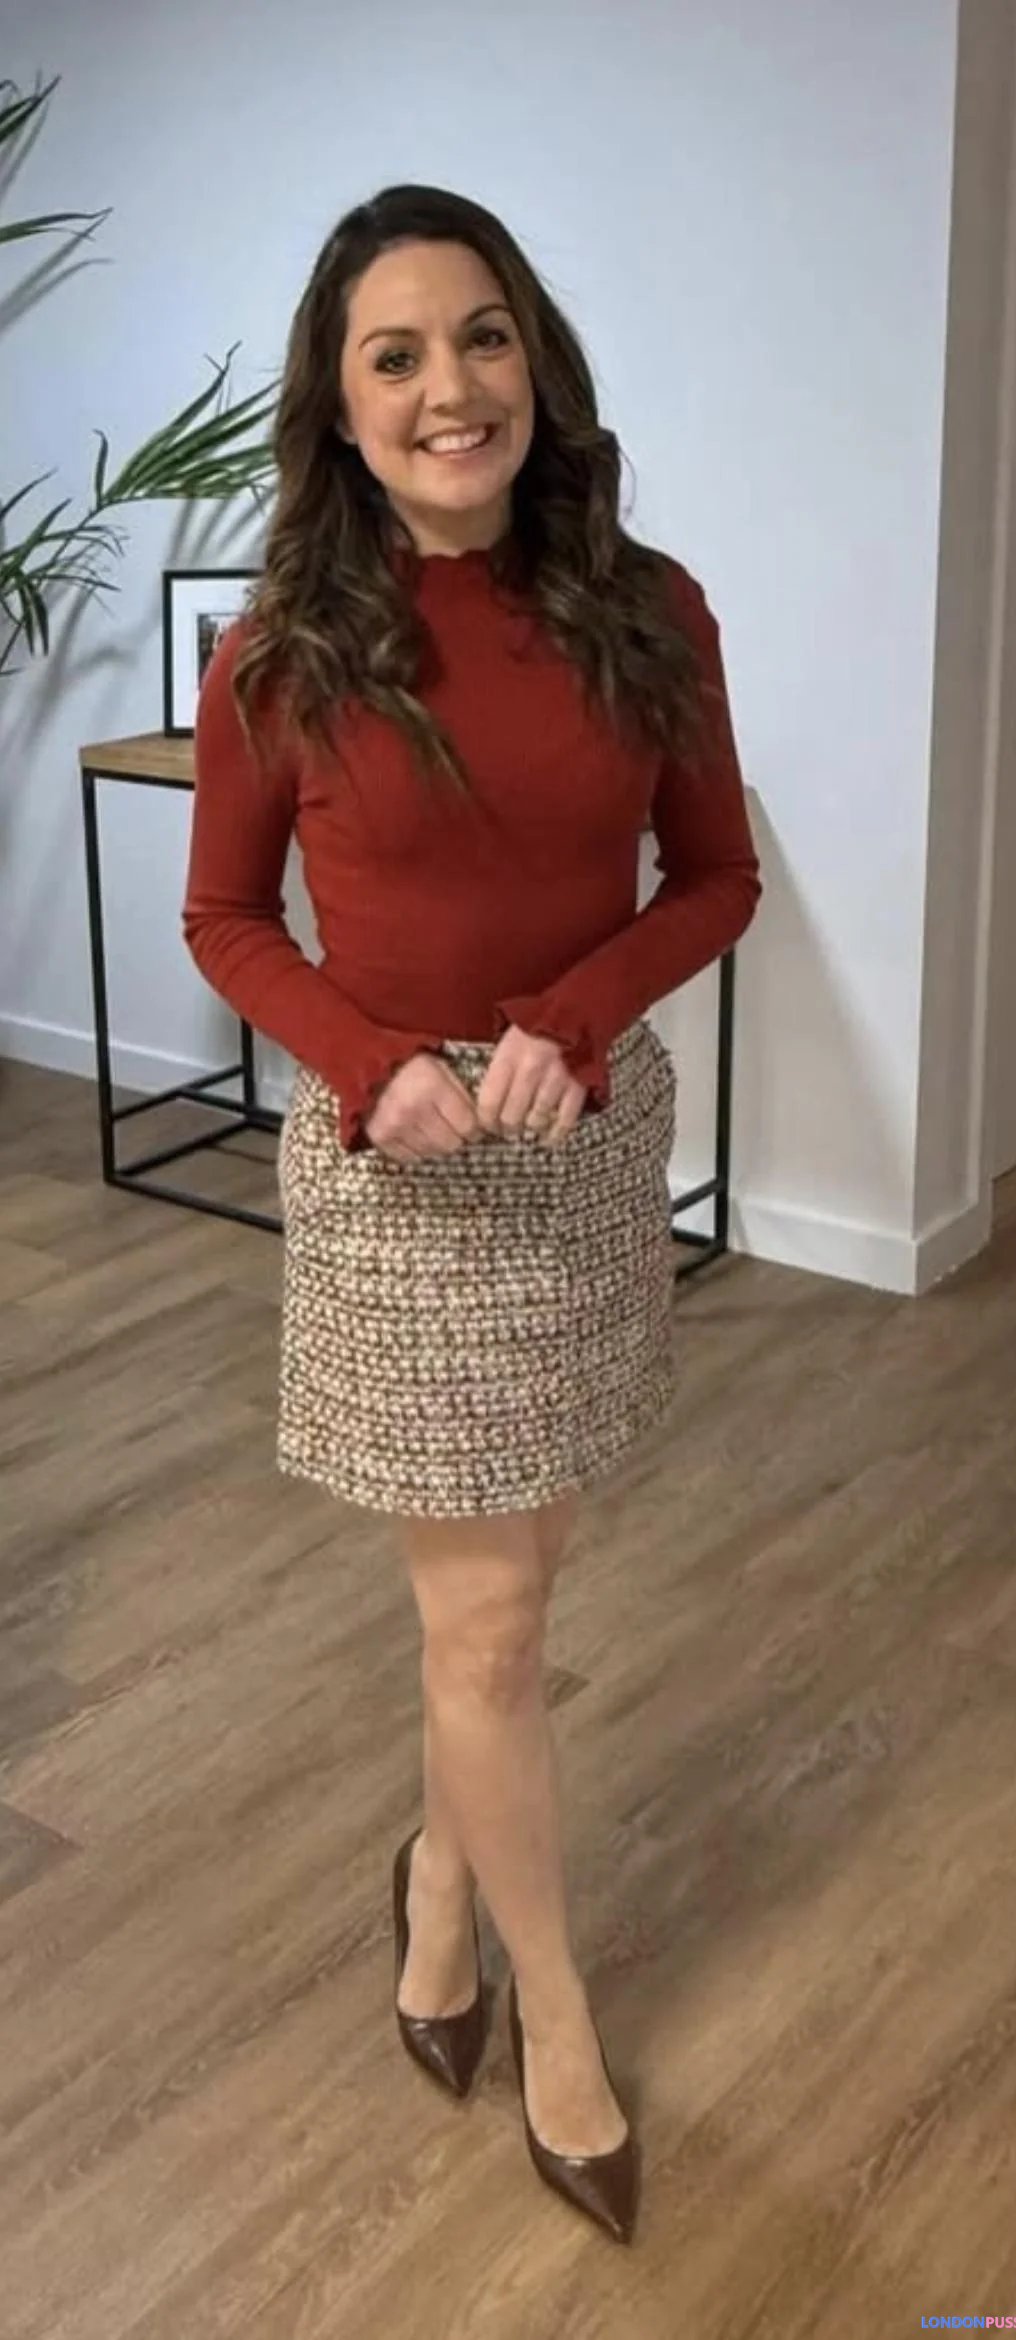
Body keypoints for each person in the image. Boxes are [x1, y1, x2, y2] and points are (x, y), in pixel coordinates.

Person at [181, 182, 761, 2247]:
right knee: (493, 1633)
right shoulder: (281, 653)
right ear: (341, 411)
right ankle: (559, 2022)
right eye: (398, 355)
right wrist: (370, 1062)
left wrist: (574, 1020)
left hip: (578, 1148)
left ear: (537, 362)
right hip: (400, 1186)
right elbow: (225, 918)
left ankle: (438, 1881)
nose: (452, 388)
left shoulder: (647, 606)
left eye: (484, 335)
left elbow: (715, 877)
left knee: (518, 1598)